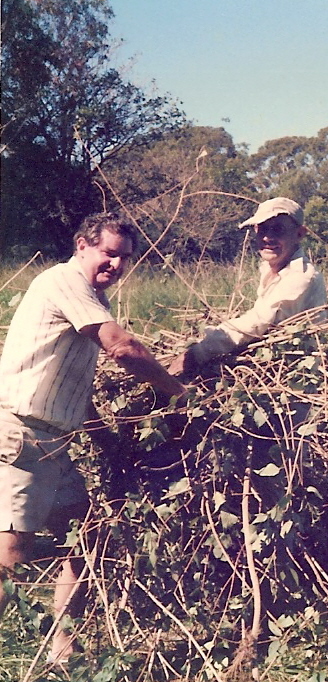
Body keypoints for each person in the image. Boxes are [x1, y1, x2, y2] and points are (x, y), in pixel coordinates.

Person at [0, 212, 185, 665]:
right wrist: (180, 393)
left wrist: (107, 440)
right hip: (22, 436)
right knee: (10, 557)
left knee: (87, 537)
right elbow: (123, 348)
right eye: (108, 253)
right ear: (82, 245)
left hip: (55, 443)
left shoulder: (89, 297)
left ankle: (62, 650)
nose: (116, 265)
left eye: (124, 258)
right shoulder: (65, 282)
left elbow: (70, 384)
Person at [168, 197, 327, 375]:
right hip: (270, 359)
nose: (268, 237)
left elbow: (257, 322)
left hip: (296, 372)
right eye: (263, 229)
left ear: (299, 234)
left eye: (278, 229)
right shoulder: (270, 267)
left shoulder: (301, 277)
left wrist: (197, 353)